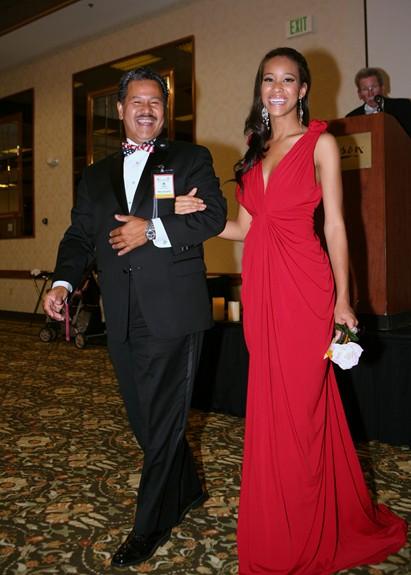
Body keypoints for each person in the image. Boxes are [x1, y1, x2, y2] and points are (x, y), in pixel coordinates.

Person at [176, 48, 407, 574]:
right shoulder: (254, 152)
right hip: (261, 290)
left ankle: (306, 527)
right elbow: (245, 228)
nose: (276, 89)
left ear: (303, 89)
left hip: (305, 287)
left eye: (287, 80)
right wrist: (200, 215)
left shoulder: (320, 143)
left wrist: (344, 297)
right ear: (260, 88)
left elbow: (337, 226)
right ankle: (284, 519)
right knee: (273, 407)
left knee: (302, 409)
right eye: (268, 79)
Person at [43, 67, 227, 568]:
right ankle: (188, 488)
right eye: (137, 102)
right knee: (145, 419)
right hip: (121, 313)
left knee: (163, 420)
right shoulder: (95, 175)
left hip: (174, 309)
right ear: (121, 109)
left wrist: (152, 229)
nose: (147, 110)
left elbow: (211, 216)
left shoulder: (190, 157)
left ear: (165, 111)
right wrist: (62, 282)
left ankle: (149, 525)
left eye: (156, 102)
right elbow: (80, 236)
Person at [346, 66, 411, 137]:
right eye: (365, 89)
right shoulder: (351, 118)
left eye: (374, 87)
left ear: (382, 88)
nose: (370, 93)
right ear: (359, 94)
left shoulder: (403, 107)